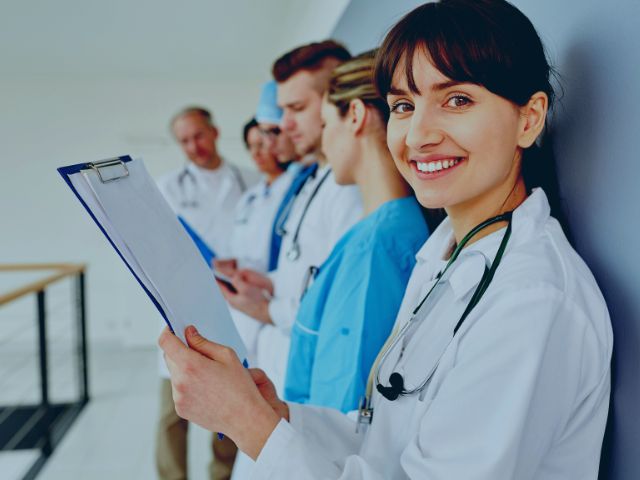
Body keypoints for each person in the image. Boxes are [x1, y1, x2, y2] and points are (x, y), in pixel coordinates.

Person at [160, 1, 613, 478]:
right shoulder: (448, 256)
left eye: (456, 99)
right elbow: (385, 436)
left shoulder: (530, 302)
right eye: (403, 105)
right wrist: (278, 415)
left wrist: (245, 422)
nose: (418, 134)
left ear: (529, 118)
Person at [284, 51, 431, 412]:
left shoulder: (375, 246)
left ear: (354, 115)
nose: (324, 139)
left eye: (324, 122)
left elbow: (344, 407)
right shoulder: (392, 227)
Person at [219, 41, 363, 394]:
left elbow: (336, 304)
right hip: (281, 354)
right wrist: (268, 282)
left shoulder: (352, 190)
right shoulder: (315, 179)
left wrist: (267, 310)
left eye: (296, 108)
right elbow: (306, 267)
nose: (285, 125)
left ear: (338, 102)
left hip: (309, 361)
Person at [155, 106, 247, 480]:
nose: (195, 146)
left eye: (199, 135)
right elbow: (162, 247)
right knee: (170, 413)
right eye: (185, 141)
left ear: (215, 132)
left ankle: (221, 474)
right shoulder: (168, 187)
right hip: (182, 308)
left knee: (230, 404)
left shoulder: (250, 180)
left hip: (236, 306)